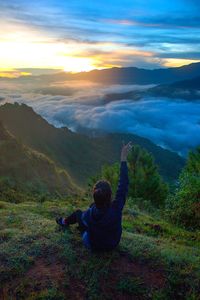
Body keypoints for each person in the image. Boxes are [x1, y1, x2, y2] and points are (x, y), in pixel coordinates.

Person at [56, 141, 132, 252]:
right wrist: (123, 158)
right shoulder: (117, 208)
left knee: (78, 214)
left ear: (94, 196)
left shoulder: (89, 213)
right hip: (113, 244)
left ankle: (63, 222)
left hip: (93, 246)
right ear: (110, 195)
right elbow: (123, 184)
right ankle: (77, 226)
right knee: (89, 222)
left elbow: (83, 218)